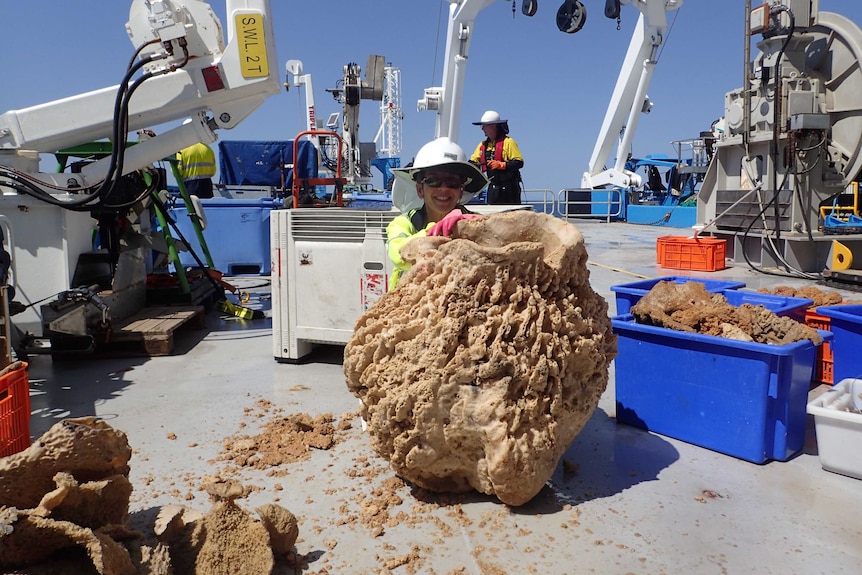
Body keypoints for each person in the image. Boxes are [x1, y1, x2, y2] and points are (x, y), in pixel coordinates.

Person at [386, 137, 489, 289]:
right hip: (409, 307)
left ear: (461, 190)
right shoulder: (402, 224)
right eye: (434, 181)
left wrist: (472, 225)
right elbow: (399, 254)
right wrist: (442, 228)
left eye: (452, 182)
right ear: (420, 189)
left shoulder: (478, 221)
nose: (444, 188)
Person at [470, 110, 524, 205]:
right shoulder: (482, 145)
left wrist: (501, 165)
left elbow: (519, 162)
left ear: (493, 126)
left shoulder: (509, 142)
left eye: (484, 126)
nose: (482, 129)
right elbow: (473, 162)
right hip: (493, 188)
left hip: (510, 189)